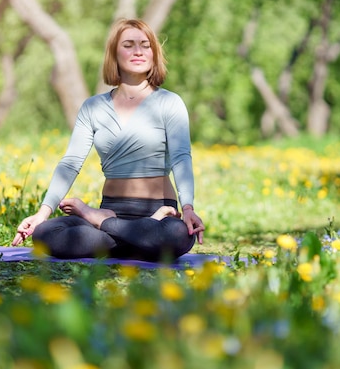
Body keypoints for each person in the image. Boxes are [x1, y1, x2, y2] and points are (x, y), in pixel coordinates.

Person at [11, 18, 205, 262]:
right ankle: (137, 238)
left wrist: (187, 208)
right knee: (46, 233)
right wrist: (42, 212)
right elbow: (71, 163)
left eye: (145, 45)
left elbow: (181, 157)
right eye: (128, 45)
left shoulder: (169, 103)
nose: (138, 51)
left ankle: (105, 224)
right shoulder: (93, 107)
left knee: (178, 234)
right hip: (113, 208)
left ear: (154, 54)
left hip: (158, 211)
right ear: (114, 54)